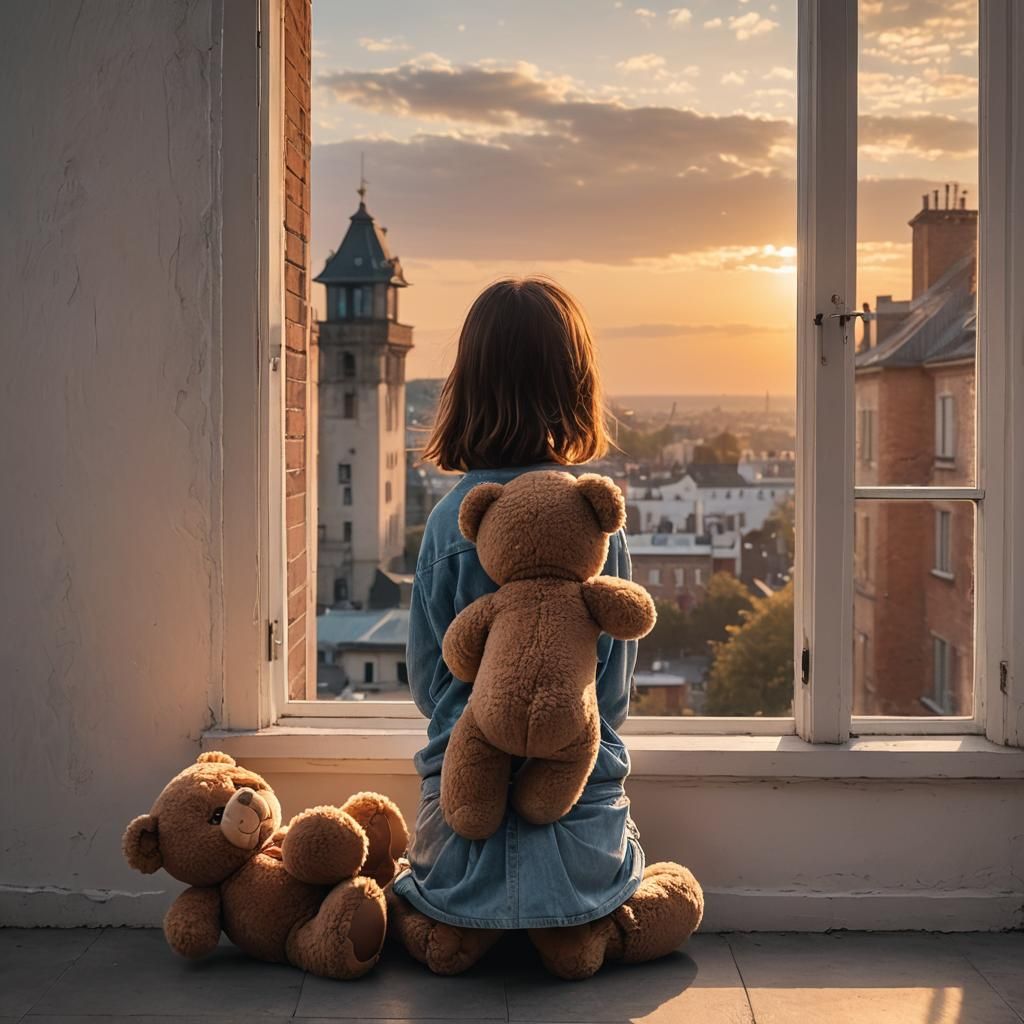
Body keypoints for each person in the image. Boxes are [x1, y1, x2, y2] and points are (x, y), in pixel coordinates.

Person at [387, 278, 703, 979]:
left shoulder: (452, 522)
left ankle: (454, 932)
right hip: (580, 836)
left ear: (465, 385)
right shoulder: (595, 521)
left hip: (460, 836)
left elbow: (431, 684)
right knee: (654, 892)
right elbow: (611, 696)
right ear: (576, 383)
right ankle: (584, 933)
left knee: (421, 892)